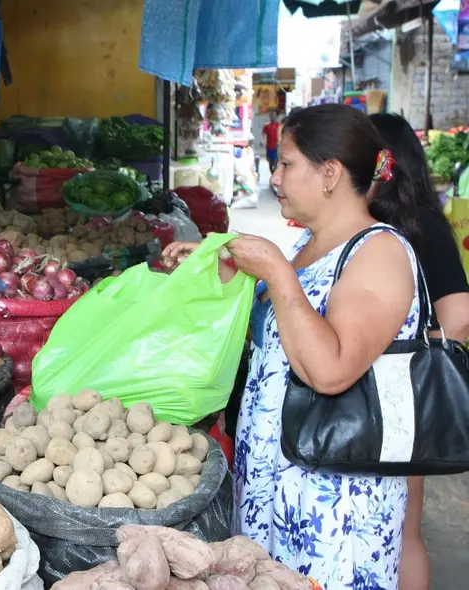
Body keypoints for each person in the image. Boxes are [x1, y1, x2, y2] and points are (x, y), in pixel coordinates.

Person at [164, 104, 422, 590]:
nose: (274, 175)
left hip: (334, 501)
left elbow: (331, 370)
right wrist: (216, 272)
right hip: (274, 483)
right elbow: (275, 346)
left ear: (329, 173)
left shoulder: (379, 251)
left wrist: (277, 273)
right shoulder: (309, 244)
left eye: (286, 163)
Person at [370, 112, 469, 590]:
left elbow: (460, 315)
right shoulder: (414, 219)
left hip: (398, 395)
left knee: (402, 528)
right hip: (388, 391)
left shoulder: (415, 223)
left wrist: (406, 354)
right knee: (403, 529)